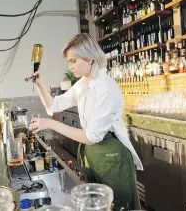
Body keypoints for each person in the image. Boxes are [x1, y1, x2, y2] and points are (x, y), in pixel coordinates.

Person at [27, 33, 144, 210]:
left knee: (120, 205)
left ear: (89, 59)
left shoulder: (105, 87)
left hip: (112, 157)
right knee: (97, 205)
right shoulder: (83, 84)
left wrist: (50, 123)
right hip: (93, 156)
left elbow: (91, 137)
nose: (70, 66)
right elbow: (53, 106)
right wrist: (40, 84)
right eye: (69, 62)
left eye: (73, 61)